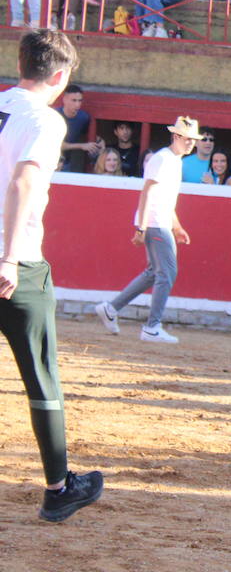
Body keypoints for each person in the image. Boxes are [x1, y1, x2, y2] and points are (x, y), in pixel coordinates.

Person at [0, 29, 105, 521]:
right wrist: (9, 256)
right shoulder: (45, 120)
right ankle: (59, 489)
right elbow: (23, 181)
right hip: (18, 266)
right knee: (41, 377)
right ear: (60, 76)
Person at [95, 115, 200, 345]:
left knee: (154, 273)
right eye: (187, 138)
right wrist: (141, 227)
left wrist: (177, 226)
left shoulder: (173, 160)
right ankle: (152, 327)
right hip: (154, 223)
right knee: (167, 273)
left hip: (159, 222)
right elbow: (147, 193)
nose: (191, 143)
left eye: (193, 139)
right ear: (176, 136)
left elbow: (165, 198)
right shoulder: (163, 159)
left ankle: (111, 308)